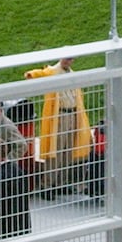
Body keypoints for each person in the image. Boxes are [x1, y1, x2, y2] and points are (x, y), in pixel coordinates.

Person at [25, 57, 92, 196]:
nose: (68, 61)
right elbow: (42, 73)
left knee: (68, 150)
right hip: (59, 116)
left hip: (73, 114)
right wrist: (31, 74)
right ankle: (47, 185)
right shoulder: (53, 71)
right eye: (66, 58)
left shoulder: (72, 73)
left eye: (70, 59)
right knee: (55, 150)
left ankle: (60, 183)